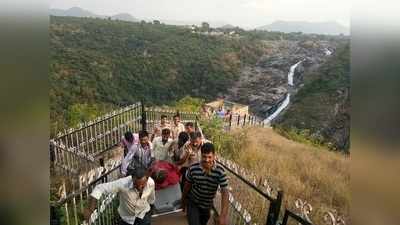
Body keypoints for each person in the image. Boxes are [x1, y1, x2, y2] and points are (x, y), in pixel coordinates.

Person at [84, 167, 155, 225]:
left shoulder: (151, 183)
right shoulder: (123, 183)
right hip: (126, 219)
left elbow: (151, 198)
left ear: (147, 179)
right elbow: (99, 188)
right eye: (135, 185)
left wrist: (151, 209)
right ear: (132, 179)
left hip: (143, 214)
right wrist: (90, 209)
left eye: (142, 185)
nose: (139, 188)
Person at [182, 142, 229, 225]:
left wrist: (223, 215)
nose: (207, 160)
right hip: (193, 203)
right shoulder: (193, 169)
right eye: (204, 157)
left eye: (209, 157)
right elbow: (187, 186)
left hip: (207, 206)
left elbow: (225, 192)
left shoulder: (220, 171)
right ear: (201, 155)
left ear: (214, 156)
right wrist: (183, 200)